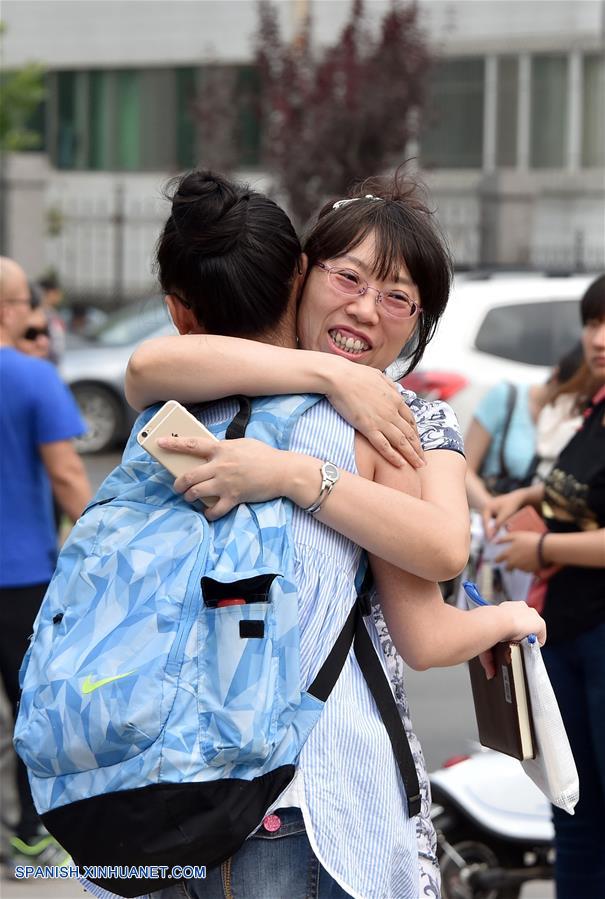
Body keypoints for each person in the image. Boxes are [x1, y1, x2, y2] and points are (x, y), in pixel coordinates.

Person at [119, 170, 543, 899]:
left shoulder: (398, 421)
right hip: (284, 792)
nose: (366, 308)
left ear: (418, 320)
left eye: (398, 297)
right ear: (301, 273)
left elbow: (442, 545)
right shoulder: (262, 378)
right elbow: (143, 364)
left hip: (185, 782)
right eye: (348, 277)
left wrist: (291, 473)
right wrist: (330, 376)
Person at [483, 273, 605, 899]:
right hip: (565, 628)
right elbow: (576, 490)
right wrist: (529, 496)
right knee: (572, 804)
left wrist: (542, 549)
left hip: (597, 634)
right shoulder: (595, 408)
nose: (598, 338)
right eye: (592, 323)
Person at [0, 257, 92, 868]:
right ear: (12, 309)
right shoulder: (33, 378)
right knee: (31, 709)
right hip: (21, 574)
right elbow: (67, 476)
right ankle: (31, 836)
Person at [37, 271, 66, 364]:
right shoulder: (41, 315)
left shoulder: (52, 314)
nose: (60, 296)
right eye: (57, 292)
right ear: (49, 293)